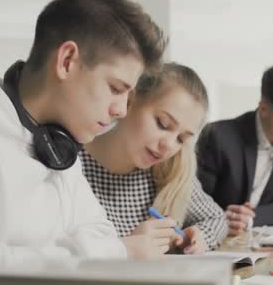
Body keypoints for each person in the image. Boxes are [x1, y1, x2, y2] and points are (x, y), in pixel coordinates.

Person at [0, 0, 167, 285]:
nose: (121, 110)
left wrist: (26, 256)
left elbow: (100, 233)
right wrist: (113, 253)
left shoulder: (59, 147)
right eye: (115, 88)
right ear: (67, 60)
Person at [80, 63, 227, 255]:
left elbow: (217, 219)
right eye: (163, 124)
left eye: (181, 139)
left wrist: (199, 237)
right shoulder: (71, 165)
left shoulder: (169, 171)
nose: (169, 146)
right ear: (130, 100)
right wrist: (128, 248)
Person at [197, 61, 273, 236]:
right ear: (264, 109)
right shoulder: (218, 136)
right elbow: (196, 203)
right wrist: (225, 218)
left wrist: (251, 218)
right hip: (219, 239)